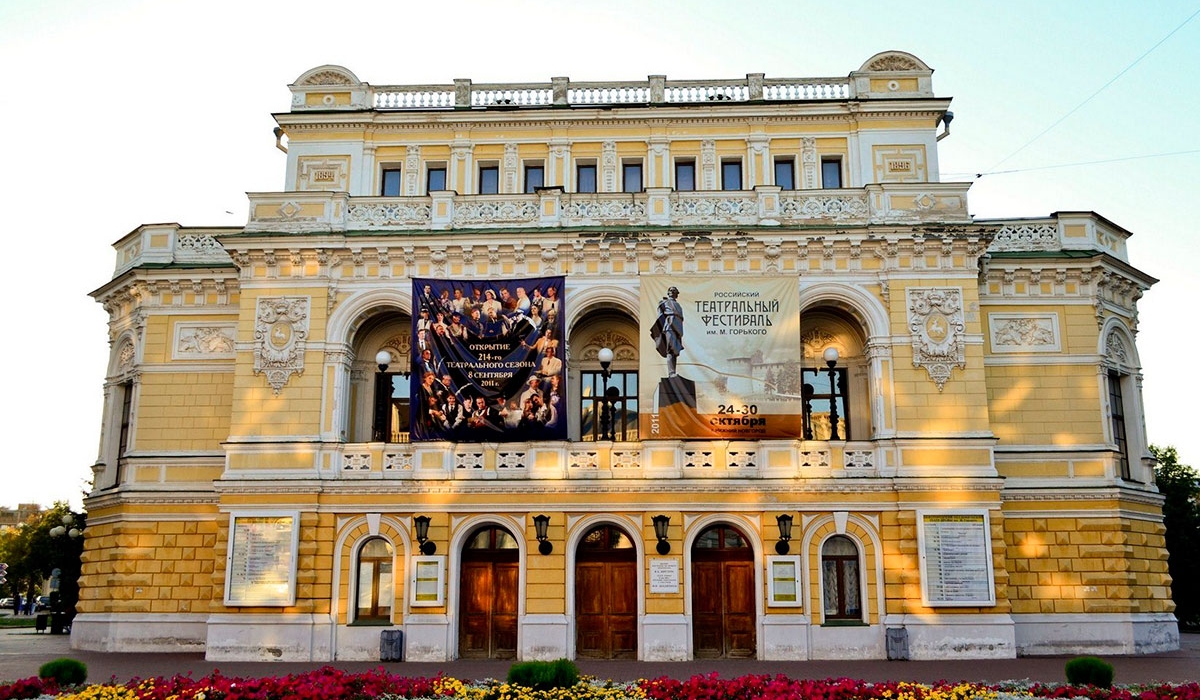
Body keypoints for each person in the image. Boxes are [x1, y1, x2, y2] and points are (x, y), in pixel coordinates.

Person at [651, 285, 684, 377]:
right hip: (669, 327)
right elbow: (660, 315)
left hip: (678, 329)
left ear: (676, 294)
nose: (672, 292)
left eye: (674, 291)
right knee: (670, 349)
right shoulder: (664, 302)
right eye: (670, 290)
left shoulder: (679, 306)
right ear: (668, 293)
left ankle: (673, 371)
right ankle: (671, 372)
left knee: (675, 352)